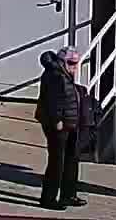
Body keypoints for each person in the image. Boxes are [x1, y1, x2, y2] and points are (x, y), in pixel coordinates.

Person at [35, 47, 84, 210]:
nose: (75, 67)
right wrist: (57, 121)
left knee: (72, 158)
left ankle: (68, 194)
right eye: (71, 63)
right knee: (57, 161)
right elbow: (53, 101)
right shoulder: (55, 75)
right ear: (62, 61)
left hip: (70, 122)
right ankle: (48, 198)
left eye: (77, 63)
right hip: (58, 124)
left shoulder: (64, 73)